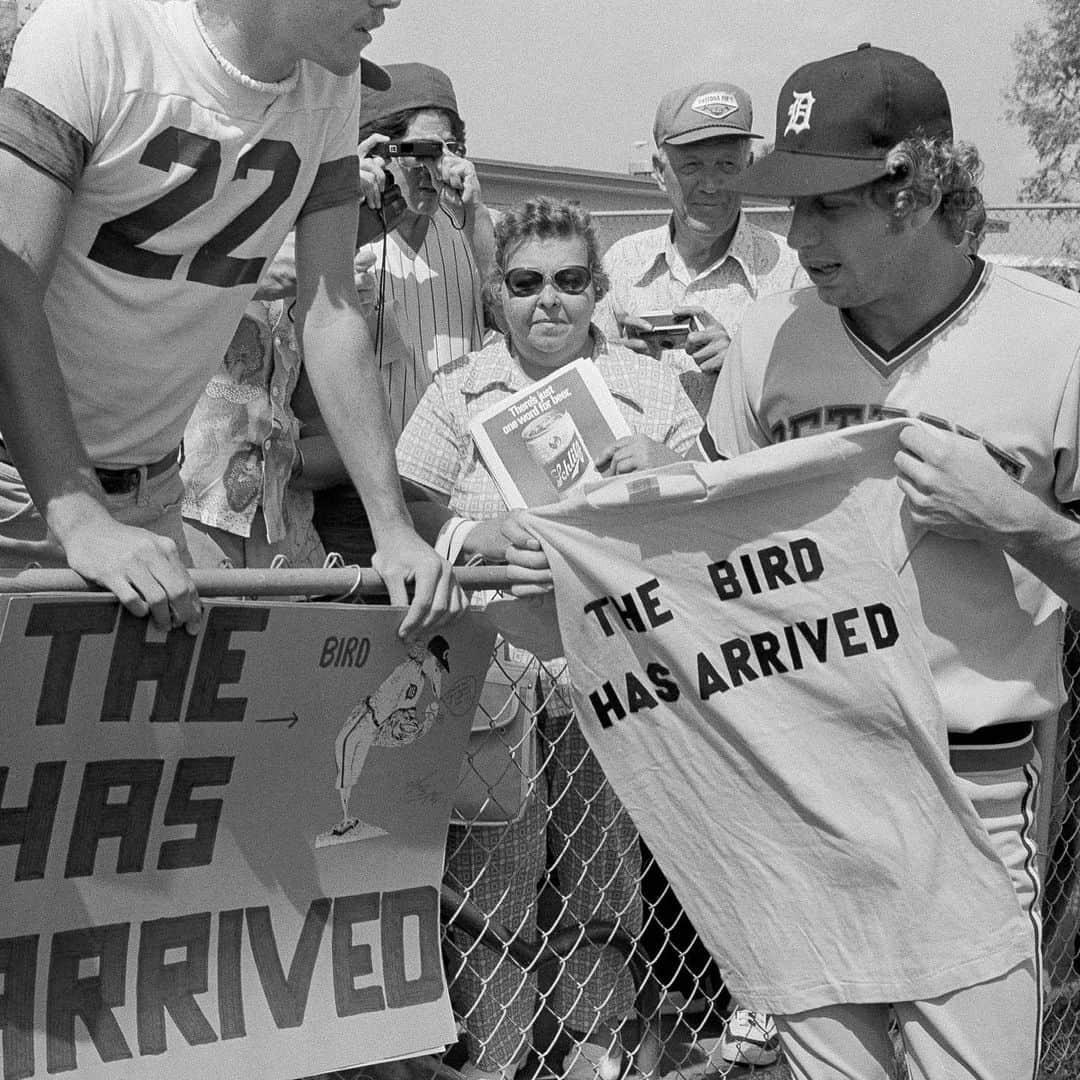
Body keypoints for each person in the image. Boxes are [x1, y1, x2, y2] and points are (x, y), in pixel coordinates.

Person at [697, 43, 1078, 1079]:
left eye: (830, 206)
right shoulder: (769, 340)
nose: (799, 238)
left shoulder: (1059, 344)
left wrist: (1018, 521)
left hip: (974, 787)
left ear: (916, 190)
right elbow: (704, 560)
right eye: (790, 207)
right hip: (808, 787)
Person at [0, 0, 464, 640]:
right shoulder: (94, 29)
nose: (394, 1)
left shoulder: (332, 77)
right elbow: (9, 291)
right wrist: (81, 519)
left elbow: (330, 312)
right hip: (22, 490)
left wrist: (394, 530)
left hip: (152, 501)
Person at [396, 198, 701, 1080]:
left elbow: (712, 509)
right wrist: (474, 540)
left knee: (603, 884)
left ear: (598, 288)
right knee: (491, 889)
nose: (549, 302)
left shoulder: (650, 386)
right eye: (526, 283)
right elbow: (412, 506)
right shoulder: (458, 388)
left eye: (570, 281)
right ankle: (498, 1059)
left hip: (614, 668)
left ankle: (597, 1052)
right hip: (495, 681)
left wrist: (667, 469)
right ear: (498, 294)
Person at [312, 61, 496, 566]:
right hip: (359, 493)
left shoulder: (473, 226)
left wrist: (478, 219)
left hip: (457, 486)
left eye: (450, 150)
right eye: (421, 152)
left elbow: (516, 320)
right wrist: (346, 201)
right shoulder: (336, 227)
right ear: (379, 148)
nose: (435, 169)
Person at [592, 80, 804, 415]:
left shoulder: (789, 271)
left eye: (727, 165)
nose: (711, 184)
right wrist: (612, 362)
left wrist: (742, 368)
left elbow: (815, 404)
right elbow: (583, 387)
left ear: (748, 166)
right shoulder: (621, 264)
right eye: (691, 166)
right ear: (660, 171)